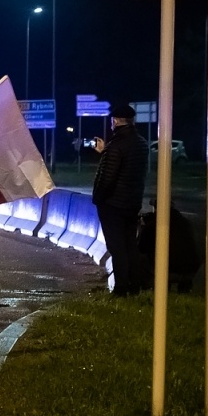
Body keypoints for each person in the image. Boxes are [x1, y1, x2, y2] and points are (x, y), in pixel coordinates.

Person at [91, 103, 147, 297]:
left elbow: (108, 178)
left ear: (115, 121)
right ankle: (135, 286)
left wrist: (98, 199)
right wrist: (105, 152)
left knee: (117, 247)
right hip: (132, 202)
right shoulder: (140, 143)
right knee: (130, 244)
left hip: (113, 204)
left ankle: (121, 288)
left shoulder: (115, 146)